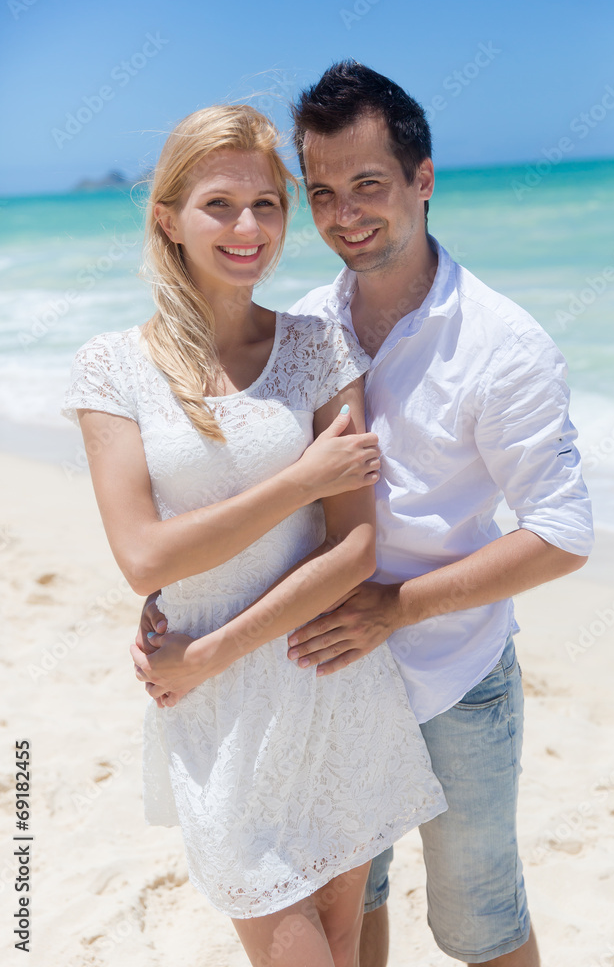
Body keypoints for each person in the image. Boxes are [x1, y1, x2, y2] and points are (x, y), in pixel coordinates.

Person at [140, 63, 594, 966]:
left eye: (369, 185)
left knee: (480, 921)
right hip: (320, 678)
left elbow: (561, 534)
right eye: (322, 193)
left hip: (452, 675)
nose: (345, 213)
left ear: (423, 180)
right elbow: (237, 489)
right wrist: (181, 602)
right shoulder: (308, 326)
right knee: (358, 900)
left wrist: (398, 607)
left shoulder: (503, 342)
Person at [61, 103, 447, 967]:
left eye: (266, 203)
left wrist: (213, 650)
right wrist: (299, 482)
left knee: (345, 948)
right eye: (218, 205)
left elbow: (354, 550)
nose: (248, 227)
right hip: (213, 713)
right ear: (168, 218)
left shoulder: (318, 348)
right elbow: (144, 558)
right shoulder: (111, 367)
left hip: (324, 672)